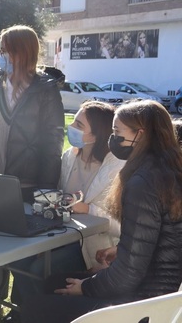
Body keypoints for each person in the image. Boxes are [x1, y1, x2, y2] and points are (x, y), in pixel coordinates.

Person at [20, 100, 182, 323]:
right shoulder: (166, 171)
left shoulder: (142, 182)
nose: (112, 139)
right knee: (54, 283)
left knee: (34, 307)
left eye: (117, 132)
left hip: (144, 302)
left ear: (141, 135)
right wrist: (120, 249)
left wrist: (86, 287)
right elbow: (159, 237)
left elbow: (127, 276)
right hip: (162, 293)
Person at [0, 25, 64, 314]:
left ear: (21, 53)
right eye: (0, 50)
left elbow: (52, 145)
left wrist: (45, 192)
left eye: (4, 50)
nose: (0, 55)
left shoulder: (45, 91)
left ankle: (23, 309)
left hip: (27, 184)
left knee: (22, 254)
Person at [8, 101, 124, 317]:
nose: (72, 128)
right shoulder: (70, 156)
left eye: (79, 124)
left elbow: (121, 223)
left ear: (97, 134)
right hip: (58, 233)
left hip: (91, 245)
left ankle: (39, 313)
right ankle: (29, 312)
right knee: (18, 260)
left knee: (37, 270)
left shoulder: (116, 167)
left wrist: (88, 208)